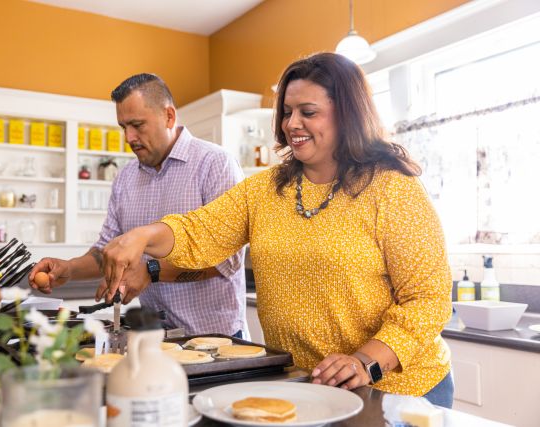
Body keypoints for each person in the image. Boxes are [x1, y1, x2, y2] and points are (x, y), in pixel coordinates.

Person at [98, 53, 455, 407]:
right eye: (287, 112)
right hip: (311, 384)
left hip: (398, 389)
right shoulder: (264, 189)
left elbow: (428, 299)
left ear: (348, 115)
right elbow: (200, 231)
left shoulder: (391, 187)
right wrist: (142, 236)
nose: (291, 124)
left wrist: (366, 361)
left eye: (308, 112)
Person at [29, 73, 247, 337]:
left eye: (137, 125)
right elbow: (107, 250)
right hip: (154, 337)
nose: (129, 137)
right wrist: (69, 268)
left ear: (169, 116)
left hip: (215, 339)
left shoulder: (215, 164)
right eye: (123, 127)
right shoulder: (125, 177)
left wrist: (151, 271)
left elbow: (227, 260)